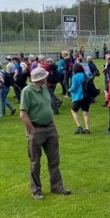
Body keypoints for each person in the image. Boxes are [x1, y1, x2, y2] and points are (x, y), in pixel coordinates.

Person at [19, 66, 71, 199]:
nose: (47, 78)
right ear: (40, 78)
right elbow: (23, 114)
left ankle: (57, 186)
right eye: (45, 76)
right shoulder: (27, 91)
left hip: (50, 128)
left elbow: (47, 107)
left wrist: (52, 123)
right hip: (36, 130)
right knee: (35, 162)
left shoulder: (45, 89)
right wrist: (32, 131)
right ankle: (36, 190)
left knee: (54, 159)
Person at [69, 62, 91, 134]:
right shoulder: (85, 75)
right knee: (85, 113)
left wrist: (69, 89)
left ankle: (79, 126)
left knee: (73, 111)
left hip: (77, 97)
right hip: (86, 96)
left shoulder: (74, 77)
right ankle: (87, 128)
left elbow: (74, 88)